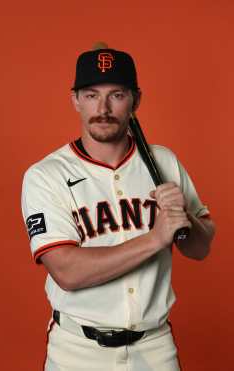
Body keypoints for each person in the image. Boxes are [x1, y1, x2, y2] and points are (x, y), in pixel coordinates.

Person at [21, 44, 215, 371]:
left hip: (155, 346)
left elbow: (200, 248)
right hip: (77, 350)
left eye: (117, 94)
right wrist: (156, 238)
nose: (104, 108)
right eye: (92, 95)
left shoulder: (164, 161)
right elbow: (67, 271)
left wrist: (185, 220)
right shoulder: (46, 175)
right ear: (76, 101)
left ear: (136, 100)